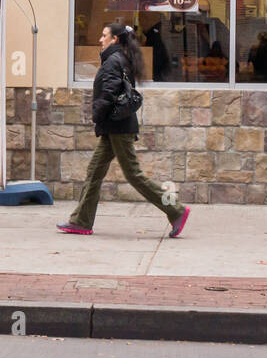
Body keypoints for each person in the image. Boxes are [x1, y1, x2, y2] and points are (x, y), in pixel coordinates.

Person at [58, 22, 190, 237]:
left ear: (115, 39)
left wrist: (96, 115)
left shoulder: (113, 61)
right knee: (94, 172)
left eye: (104, 35)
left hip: (119, 128)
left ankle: (176, 210)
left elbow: (108, 93)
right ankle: (81, 221)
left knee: (134, 175)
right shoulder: (120, 58)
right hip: (115, 127)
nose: (100, 39)